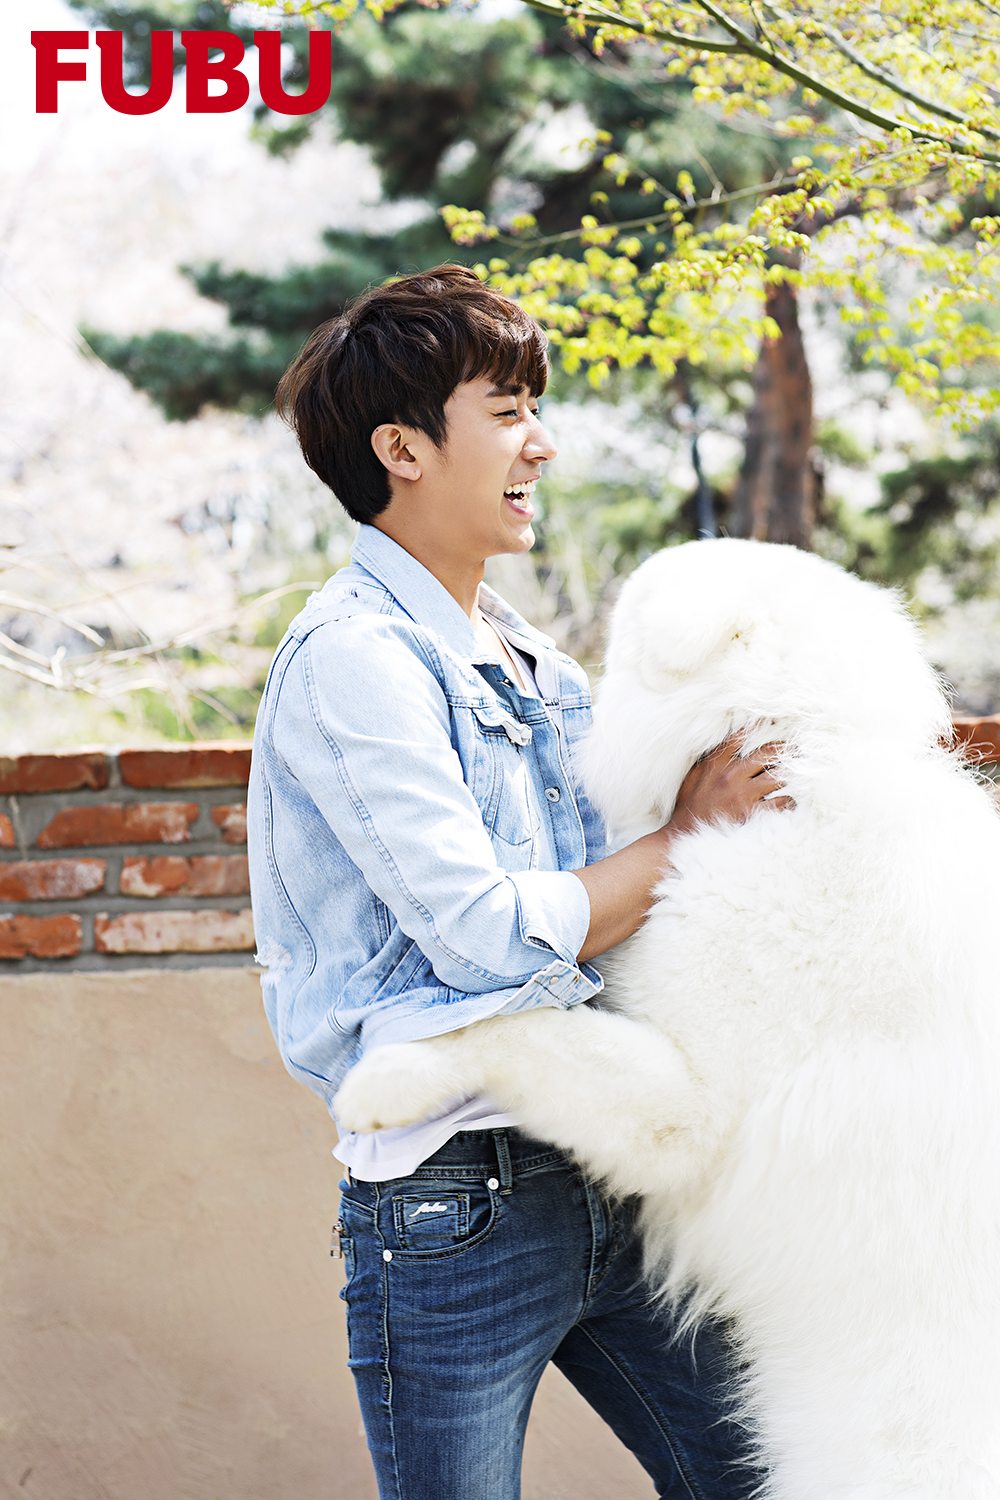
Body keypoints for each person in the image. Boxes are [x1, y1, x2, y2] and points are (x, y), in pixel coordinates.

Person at [246, 264, 787, 1500]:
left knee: (764, 1478)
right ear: (402, 450)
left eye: (533, 410)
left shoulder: (534, 662)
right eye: (505, 413)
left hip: (609, 1152)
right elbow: (486, 933)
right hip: (456, 1195)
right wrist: (687, 834)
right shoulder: (354, 660)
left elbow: (618, 903)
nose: (541, 444)